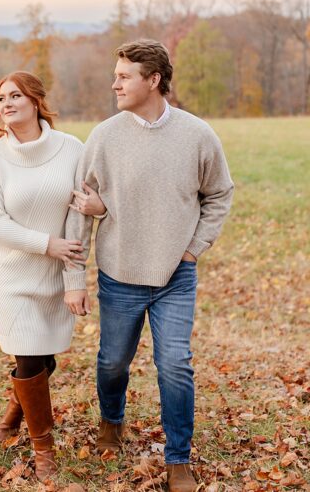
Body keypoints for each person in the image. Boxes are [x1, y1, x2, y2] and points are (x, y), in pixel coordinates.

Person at [63, 39, 233, 492]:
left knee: (175, 364)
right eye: (116, 75)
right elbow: (80, 209)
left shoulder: (198, 135)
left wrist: (194, 248)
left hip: (176, 276)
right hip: (120, 274)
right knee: (113, 362)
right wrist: (75, 278)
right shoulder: (104, 136)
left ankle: (178, 459)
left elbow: (219, 194)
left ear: (153, 80)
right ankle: (111, 420)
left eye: (124, 76)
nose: (114, 83)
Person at [0, 71, 103, 480]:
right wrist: (48, 243)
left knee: (45, 357)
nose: (6, 103)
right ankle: (44, 449)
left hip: (54, 272)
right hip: (8, 274)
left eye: (15, 96)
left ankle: (12, 417)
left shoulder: (71, 149)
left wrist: (73, 278)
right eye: (1, 98)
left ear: (35, 101)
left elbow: (80, 216)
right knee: (29, 353)